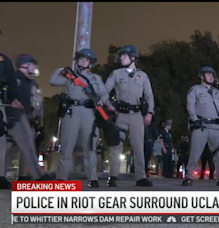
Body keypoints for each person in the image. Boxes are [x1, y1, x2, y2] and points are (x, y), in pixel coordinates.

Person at [49, 48, 108, 188]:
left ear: (90, 63)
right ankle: (62, 179)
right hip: (72, 111)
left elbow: (104, 93)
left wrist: (102, 101)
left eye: (86, 59)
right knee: (67, 145)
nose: (83, 61)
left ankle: (92, 178)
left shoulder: (95, 78)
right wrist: (61, 69)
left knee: (90, 146)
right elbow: (52, 81)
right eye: (81, 58)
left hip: (89, 112)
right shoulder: (70, 76)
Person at [105, 45, 154, 187]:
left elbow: (149, 96)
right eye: (121, 55)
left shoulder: (143, 76)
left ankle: (141, 177)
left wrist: (149, 113)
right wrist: (109, 105)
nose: (121, 58)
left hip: (137, 115)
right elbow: (104, 91)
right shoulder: (116, 74)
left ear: (133, 58)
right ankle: (112, 177)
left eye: (124, 55)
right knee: (116, 145)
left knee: (138, 147)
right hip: (121, 114)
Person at [183, 66, 219, 186]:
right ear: (201, 76)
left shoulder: (217, 92)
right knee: (195, 150)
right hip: (201, 125)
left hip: (215, 126)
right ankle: (189, 176)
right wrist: (194, 120)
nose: (211, 77)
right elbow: (190, 105)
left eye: (212, 75)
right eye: (208, 74)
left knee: (218, 152)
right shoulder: (195, 90)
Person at [7, 54, 50, 181]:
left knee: (11, 149)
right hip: (15, 116)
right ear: (25, 65)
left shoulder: (27, 81)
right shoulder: (15, 79)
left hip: (22, 117)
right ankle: (38, 176)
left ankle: (32, 175)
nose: (33, 67)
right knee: (27, 145)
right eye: (31, 64)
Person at [0, 29, 16, 188]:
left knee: (1, 140)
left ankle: (0, 175)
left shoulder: (3, 60)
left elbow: (11, 82)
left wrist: (14, 99)